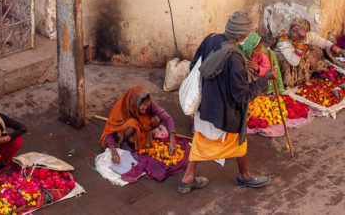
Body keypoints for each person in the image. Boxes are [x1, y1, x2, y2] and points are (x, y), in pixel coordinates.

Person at [179, 10, 277, 194]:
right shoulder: (235, 59)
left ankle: (189, 178)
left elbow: (194, 65)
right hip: (224, 112)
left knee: (203, 140)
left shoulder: (211, 38)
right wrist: (265, 79)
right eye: (246, 34)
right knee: (235, 141)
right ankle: (244, 176)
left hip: (206, 106)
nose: (247, 37)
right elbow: (242, 96)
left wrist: (211, 87)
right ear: (241, 35)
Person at [99, 86, 177, 164]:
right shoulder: (120, 108)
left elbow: (167, 117)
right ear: (134, 104)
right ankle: (125, 142)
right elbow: (109, 134)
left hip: (140, 125)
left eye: (147, 105)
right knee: (133, 122)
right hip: (126, 131)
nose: (145, 108)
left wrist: (172, 140)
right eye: (142, 107)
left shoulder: (147, 103)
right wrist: (114, 152)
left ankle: (142, 136)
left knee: (157, 118)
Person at [274, 17, 344, 88]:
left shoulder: (308, 36)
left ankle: (308, 74)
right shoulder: (284, 41)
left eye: (298, 32)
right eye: (293, 31)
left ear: (306, 32)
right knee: (292, 57)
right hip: (284, 67)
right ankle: (289, 83)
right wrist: (301, 41)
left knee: (314, 48)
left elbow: (324, 43)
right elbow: (294, 62)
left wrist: (338, 50)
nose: (294, 34)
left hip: (296, 61)